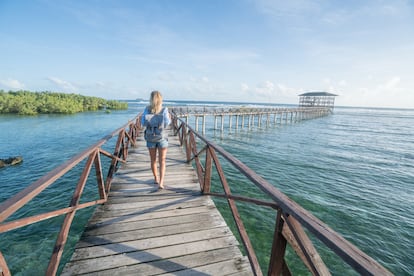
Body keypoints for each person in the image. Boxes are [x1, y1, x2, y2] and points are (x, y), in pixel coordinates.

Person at [141, 91, 171, 189]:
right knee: (162, 160)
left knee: (153, 160)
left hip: (150, 137)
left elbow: (143, 123)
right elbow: (167, 123)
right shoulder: (164, 109)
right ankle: (161, 182)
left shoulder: (146, 109)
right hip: (162, 137)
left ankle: (156, 178)